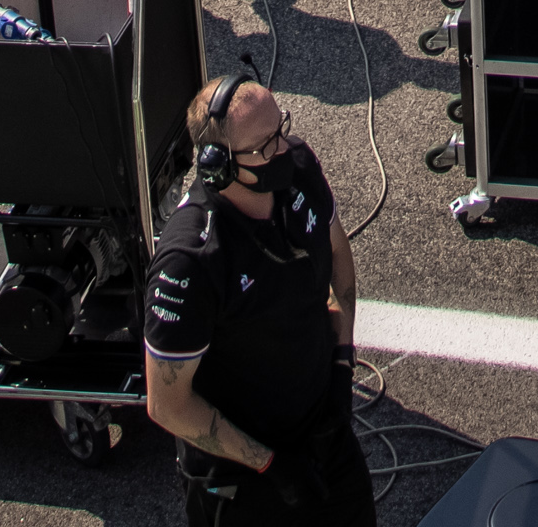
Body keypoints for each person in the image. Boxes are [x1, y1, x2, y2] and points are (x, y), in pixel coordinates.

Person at [141, 75, 369, 526]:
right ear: (218, 166)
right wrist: (271, 464)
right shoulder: (190, 261)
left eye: (280, 130)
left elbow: (340, 262)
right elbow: (167, 404)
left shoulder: (299, 168)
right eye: (265, 147)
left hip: (323, 433)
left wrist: (342, 362)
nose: (282, 150)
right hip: (243, 474)